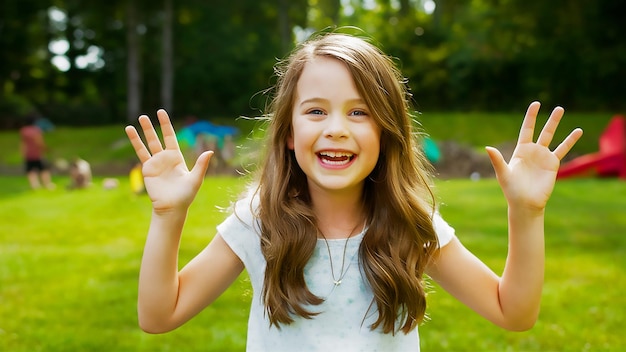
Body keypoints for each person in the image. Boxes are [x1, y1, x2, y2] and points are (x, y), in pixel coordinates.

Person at [124, 31, 583, 351]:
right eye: (317, 112)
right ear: (288, 132)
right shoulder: (259, 222)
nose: (337, 130)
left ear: (386, 132)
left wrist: (526, 212)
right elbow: (159, 316)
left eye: (359, 113)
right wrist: (167, 216)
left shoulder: (411, 224)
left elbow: (514, 313)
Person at [20, 116, 55, 190]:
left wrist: (23, 152)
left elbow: (23, 143)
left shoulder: (24, 130)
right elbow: (39, 141)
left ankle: (34, 185)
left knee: (30, 170)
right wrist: (45, 149)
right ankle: (47, 184)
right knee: (44, 169)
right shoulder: (36, 130)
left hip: (28, 154)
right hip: (37, 154)